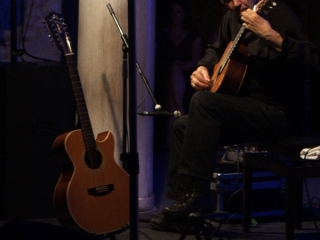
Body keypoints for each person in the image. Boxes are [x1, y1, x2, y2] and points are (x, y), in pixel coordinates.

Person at [150, 0, 319, 233]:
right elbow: (215, 49)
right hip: (248, 109)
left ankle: (199, 195)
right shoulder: (232, 17)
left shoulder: (276, 12)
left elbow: (310, 61)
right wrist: (203, 68)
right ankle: (182, 205)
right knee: (182, 125)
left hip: (282, 113)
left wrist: (270, 35)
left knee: (204, 102)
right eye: (227, 0)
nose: (235, 3)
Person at [154, 0, 204, 150]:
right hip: (164, 76)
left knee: (174, 74)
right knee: (171, 73)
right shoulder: (162, 34)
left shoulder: (193, 35)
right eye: (172, 12)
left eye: (178, 12)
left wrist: (180, 65)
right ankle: (182, 114)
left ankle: (171, 140)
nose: (174, 15)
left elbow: (196, 60)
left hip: (186, 76)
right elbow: (156, 58)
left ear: (184, 15)